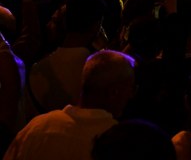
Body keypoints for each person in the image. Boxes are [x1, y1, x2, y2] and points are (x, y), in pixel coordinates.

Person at [4, 50, 136, 160]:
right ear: (114, 92)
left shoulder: (37, 126)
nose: (131, 95)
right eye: (130, 87)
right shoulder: (118, 143)